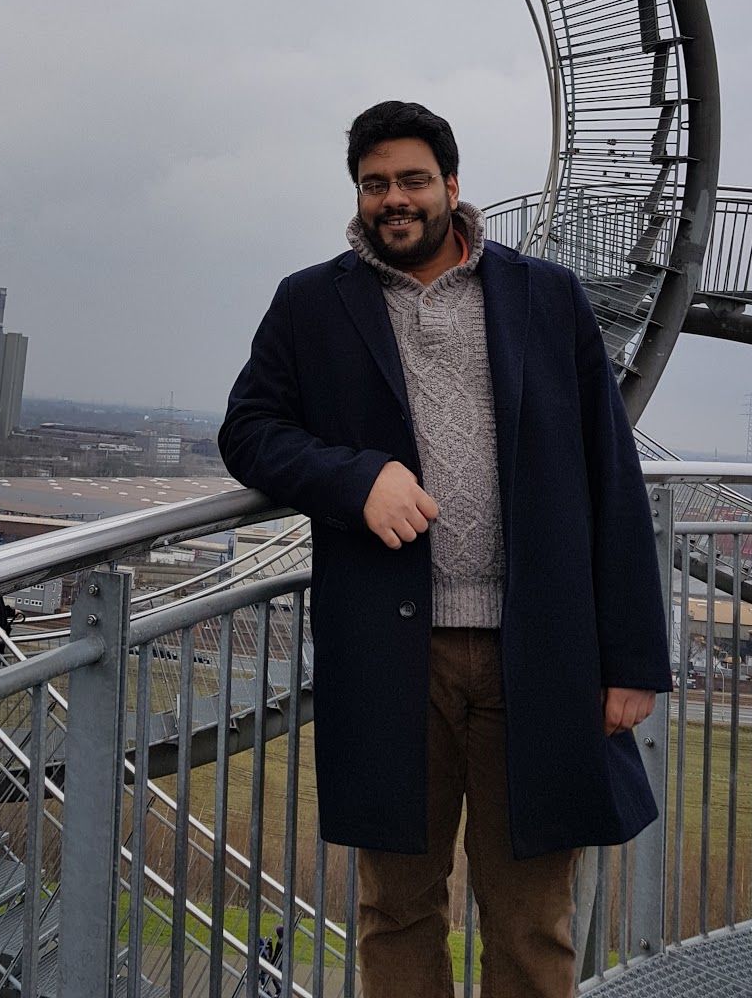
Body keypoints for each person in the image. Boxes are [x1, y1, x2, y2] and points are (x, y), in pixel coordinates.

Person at [219, 101, 671, 998]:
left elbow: (610, 480)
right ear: (359, 194)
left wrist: (631, 660)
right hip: (394, 660)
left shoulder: (547, 297)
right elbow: (250, 431)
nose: (395, 199)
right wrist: (357, 479)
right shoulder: (312, 303)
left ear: (453, 188)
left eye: (413, 181)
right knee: (397, 910)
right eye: (376, 184)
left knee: (531, 918)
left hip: (537, 656)